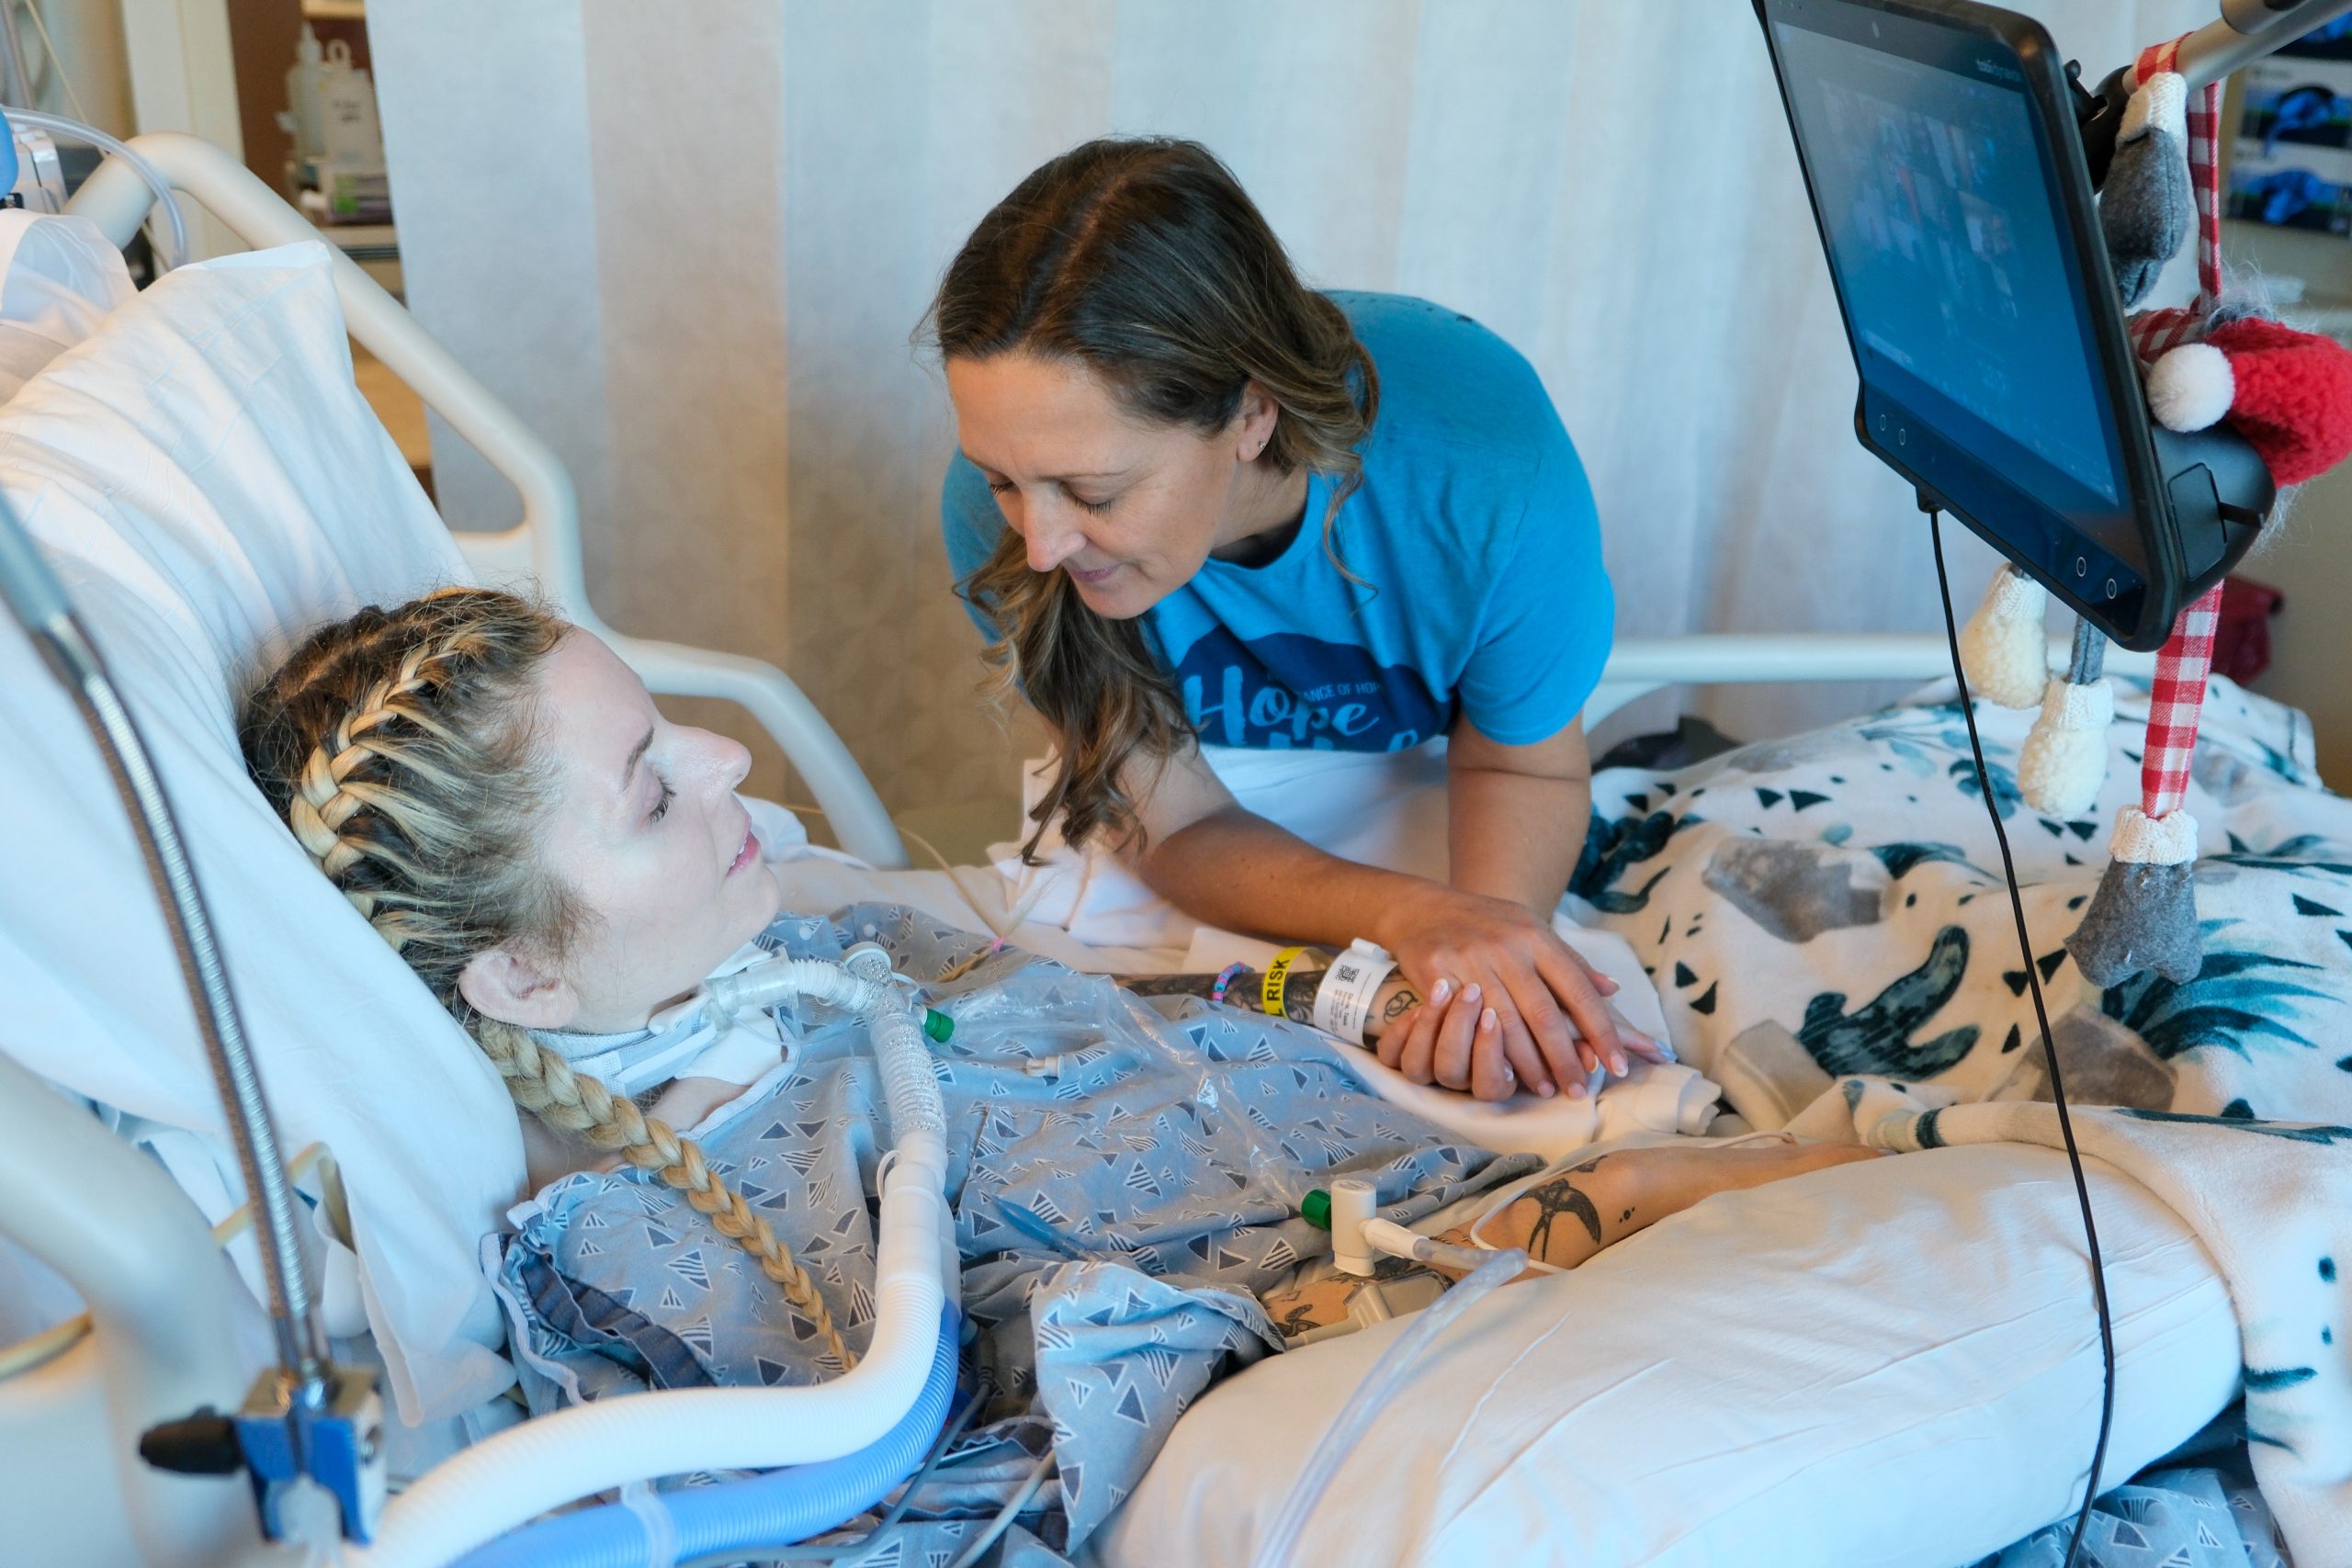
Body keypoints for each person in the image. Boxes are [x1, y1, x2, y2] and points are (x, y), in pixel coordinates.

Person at [238, 588, 1872, 1360]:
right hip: (1424, 1270)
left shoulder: (795, 948)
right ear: (518, 976)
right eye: (656, 788)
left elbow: (1088, 1003)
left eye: (672, 723)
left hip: (1395, 1131)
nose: (731, 754)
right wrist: (1566, 1199)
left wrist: (1356, 1012)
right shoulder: (658, 1242)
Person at [932, 136, 1639, 1106]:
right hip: (1202, 850)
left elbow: (1518, 761)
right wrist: (1409, 914)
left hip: (1454, 800)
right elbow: (1176, 827)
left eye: (1092, 491)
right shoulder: (1000, 521)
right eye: (1003, 479)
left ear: (1252, 416)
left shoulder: (1485, 482)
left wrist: (1483, 962)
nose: (1041, 543)